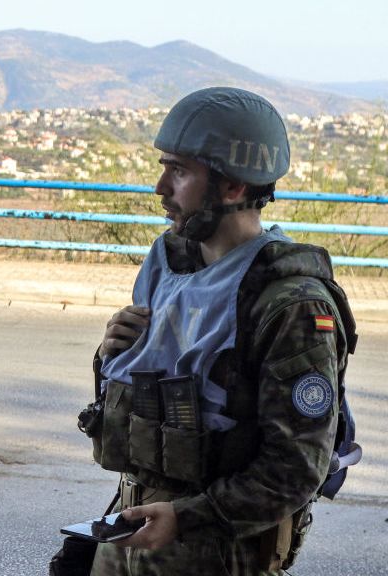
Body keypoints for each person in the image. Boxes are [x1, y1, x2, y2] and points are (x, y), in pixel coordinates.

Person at [85, 87, 357, 575]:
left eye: (181, 171)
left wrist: (188, 518)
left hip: (213, 549)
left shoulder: (289, 304)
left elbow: (296, 469)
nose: (160, 187)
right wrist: (111, 356)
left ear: (232, 188)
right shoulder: (170, 263)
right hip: (130, 524)